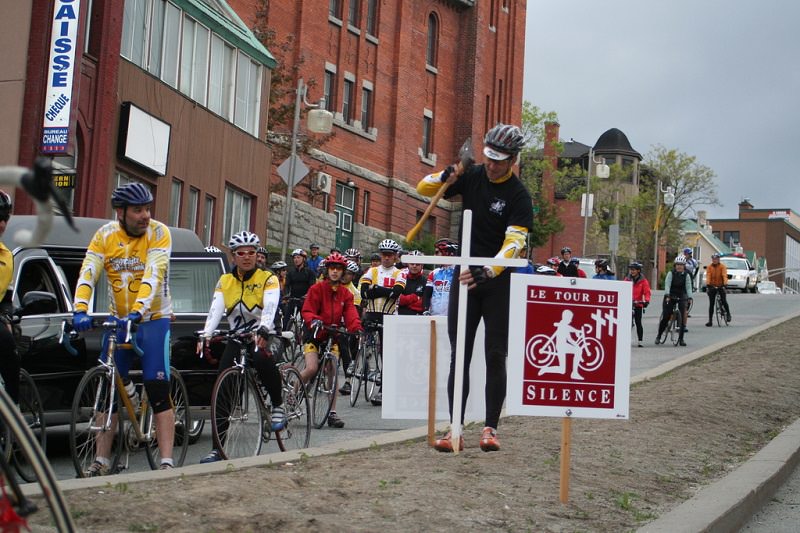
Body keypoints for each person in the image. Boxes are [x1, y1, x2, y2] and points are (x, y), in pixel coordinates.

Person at [417, 123, 531, 453]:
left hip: (497, 282)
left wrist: (488, 270)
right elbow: (423, 188)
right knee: (460, 355)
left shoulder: (519, 196)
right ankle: (455, 429)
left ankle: (491, 428)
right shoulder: (473, 174)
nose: (492, 165)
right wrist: (445, 176)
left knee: (495, 354)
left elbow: (515, 243)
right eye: (489, 158)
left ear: (513, 160)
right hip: (464, 276)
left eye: (500, 160)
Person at [72, 183, 177, 475]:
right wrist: (79, 308)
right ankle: (101, 459)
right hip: (118, 319)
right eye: (138, 210)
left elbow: (154, 274)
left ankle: (166, 460)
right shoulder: (105, 235)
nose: (145, 215)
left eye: (147, 208)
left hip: (153, 318)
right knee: (107, 390)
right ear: (121, 212)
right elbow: (88, 271)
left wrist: (137, 312)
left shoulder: (159, 233)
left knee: (157, 387)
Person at [197, 231, 285, 463]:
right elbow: (215, 310)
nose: (247, 257)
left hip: (266, 334)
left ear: (257, 255)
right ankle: (218, 448)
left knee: (263, 358)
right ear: (233, 257)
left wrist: (264, 328)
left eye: (252, 252)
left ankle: (277, 404)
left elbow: (270, 308)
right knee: (222, 389)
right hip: (238, 337)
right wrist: (206, 334)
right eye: (241, 253)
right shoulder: (225, 281)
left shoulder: (269, 278)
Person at [300, 252, 363, 427]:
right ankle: (292, 393)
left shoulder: (346, 294)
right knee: (312, 368)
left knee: (333, 372)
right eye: (332, 268)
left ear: (343, 272)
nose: (335, 271)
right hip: (314, 333)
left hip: (332, 336)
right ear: (327, 270)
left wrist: (356, 328)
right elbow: (307, 309)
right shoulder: (317, 289)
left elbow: (350, 313)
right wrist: (313, 319)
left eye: (339, 269)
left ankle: (332, 413)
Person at [359, 239, 407, 405]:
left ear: (395, 257)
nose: (386, 258)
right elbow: (364, 293)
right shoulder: (372, 271)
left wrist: (377, 289)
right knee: (363, 345)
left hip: (389, 316)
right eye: (384, 255)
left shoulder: (399, 273)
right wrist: (385, 291)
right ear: (380, 255)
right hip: (371, 313)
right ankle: (360, 370)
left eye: (390, 255)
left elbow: (397, 293)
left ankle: (383, 388)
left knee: (386, 354)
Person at [0, 191, 20, 404]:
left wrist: (6, 316)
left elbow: (6, 296)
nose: (1, 224)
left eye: (4, 219)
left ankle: (12, 413)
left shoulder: (7, 256)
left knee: (8, 345)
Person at [338, 260, 364, 395]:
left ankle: (348, 381)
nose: (345, 275)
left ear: (353, 276)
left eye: (349, 274)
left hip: (346, 324)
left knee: (345, 347)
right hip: (333, 323)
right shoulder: (335, 286)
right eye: (344, 272)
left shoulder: (355, 292)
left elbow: (354, 313)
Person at [655, 256, 692, 347]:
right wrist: (667, 294)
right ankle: (659, 335)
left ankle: (681, 339)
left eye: (681, 265)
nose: (679, 267)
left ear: (684, 266)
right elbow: (667, 284)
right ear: (675, 266)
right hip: (670, 295)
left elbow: (688, 287)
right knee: (666, 316)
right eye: (678, 265)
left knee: (683, 316)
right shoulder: (671, 273)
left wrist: (690, 297)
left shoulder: (686, 275)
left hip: (681, 295)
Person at [423, 238, 459, 316]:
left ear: (447, 252)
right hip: (434, 315)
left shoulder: (459, 272)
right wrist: (425, 310)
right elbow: (427, 294)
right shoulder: (434, 273)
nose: (434, 255)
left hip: (453, 316)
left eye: (437, 252)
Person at [285, 248, 317, 328]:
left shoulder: (310, 273)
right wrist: (287, 294)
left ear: (304, 259)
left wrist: (307, 295)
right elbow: (287, 285)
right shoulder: (291, 272)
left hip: (304, 301)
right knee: (286, 319)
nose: (296, 259)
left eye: (298, 257)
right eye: (294, 258)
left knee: (306, 322)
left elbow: (312, 286)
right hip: (293, 299)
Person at [624, 261, 651, 347]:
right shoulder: (627, 279)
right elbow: (622, 288)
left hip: (638, 304)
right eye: (631, 270)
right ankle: (625, 339)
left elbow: (647, 292)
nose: (632, 271)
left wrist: (646, 301)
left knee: (638, 322)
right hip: (628, 303)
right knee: (626, 322)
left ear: (638, 271)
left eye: (634, 270)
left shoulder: (643, 281)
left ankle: (640, 340)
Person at [705, 253, 731, 326]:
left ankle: (728, 314)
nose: (715, 260)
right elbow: (708, 276)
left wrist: (725, 284)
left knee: (723, 300)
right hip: (712, 286)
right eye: (713, 259)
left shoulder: (722, 267)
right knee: (711, 304)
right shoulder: (709, 267)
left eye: (716, 259)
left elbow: (724, 275)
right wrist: (708, 285)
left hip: (721, 285)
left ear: (719, 259)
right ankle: (710, 321)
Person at [398, 250, 427, 315]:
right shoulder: (401, 278)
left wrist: (406, 302)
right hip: (400, 317)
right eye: (412, 263)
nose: (414, 266)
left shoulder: (425, 281)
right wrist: (414, 297)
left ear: (422, 265)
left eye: (417, 264)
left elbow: (423, 305)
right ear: (408, 264)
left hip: (417, 318)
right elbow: (397, 300)